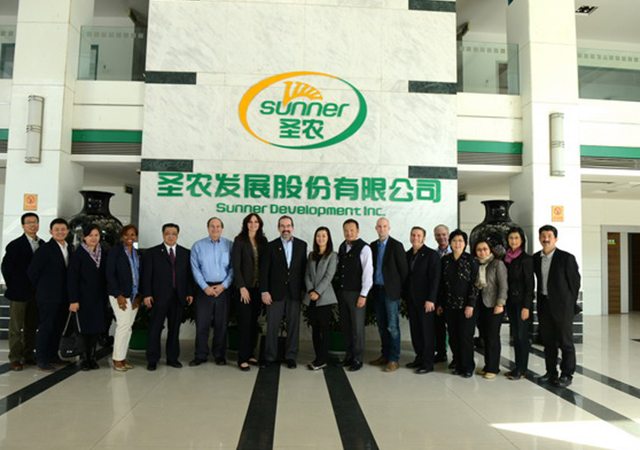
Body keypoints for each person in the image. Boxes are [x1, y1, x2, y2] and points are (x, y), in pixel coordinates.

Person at [534, 225, 581, 388]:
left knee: (565, 342)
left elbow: (575, 283)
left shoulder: (566, 258)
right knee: (548, 342)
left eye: (549, 236)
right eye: (543, 236)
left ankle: (567, 374)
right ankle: (551, 372)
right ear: (539, 238)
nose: (546, 239)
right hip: (544, 305)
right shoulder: (536, 258)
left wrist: (569, 303)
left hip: (563, 307)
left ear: (556, 239)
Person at [141, 223, 194, 371]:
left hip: (178, 296)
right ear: (163, 234)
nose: (171, 236)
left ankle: (172, 358)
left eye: (174, 233)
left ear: (177, 235)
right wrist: (147, 294)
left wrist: (189, 292)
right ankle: (152, 359)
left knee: (174, 329)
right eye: (167, 233)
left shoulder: (185, 253)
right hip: (158, 297)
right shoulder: (152, 252)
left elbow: (188, 275)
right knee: (155, 329)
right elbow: (147, 275)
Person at [260, 216, 307, 369]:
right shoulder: (270, 246)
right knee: (272, 326)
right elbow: (264, 271)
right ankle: (270, 356)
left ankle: (291, 356)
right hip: (274, 293)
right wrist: (264, 291)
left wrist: (303, 290)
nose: (285, 229)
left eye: (288, 226)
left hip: (295, 292)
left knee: (293, 326)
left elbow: (303, 270)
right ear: (278, 228)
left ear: (292, 227)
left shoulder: (302, 245)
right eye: (282, 226)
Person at [27, 218, 73, 372]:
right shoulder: (45, 249)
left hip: (64, 296)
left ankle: (53, 355)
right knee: (46, 327)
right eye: (57, 229)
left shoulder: (69, 248)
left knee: (58, 327)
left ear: (67, 231)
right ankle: (41, 359)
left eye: (63, 229)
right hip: (48, 296)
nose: (60, 232)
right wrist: (43, 287)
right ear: (51, 232)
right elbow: (32, 272)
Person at [1, 213, 44, 371]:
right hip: (19, 292)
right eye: (29, 222)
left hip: (36, 293)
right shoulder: (15, 245)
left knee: (31, 326)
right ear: (23, 226)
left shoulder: (42, 244)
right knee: (16, 327)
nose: (32, 225)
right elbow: (6, 267)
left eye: (35, 222)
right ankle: (15, 358)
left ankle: (29, 354)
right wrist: (13, 285)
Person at [190, 217, 234, 367]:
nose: (215, 229)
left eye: (218, 226)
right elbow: (195, 269)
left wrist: (224, 286)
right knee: (202, 324)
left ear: (222, 228)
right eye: (212, 226)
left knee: (221, 325)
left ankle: (219, 355)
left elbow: (233, 268)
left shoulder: (230, 245)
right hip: (204, 290)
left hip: (223, 289)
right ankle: (200, 355)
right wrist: (205, 287)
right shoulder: (198, 246)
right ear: (207, 228)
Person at [437, 229, 479, 378]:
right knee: (453, 336)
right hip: (449, 305)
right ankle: (458, 363)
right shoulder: (445, 260)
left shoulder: (471, 260)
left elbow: (475, 284)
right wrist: (440, 304)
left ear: (465, 243)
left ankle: (468, 367)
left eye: (460, 241)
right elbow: (441, 284)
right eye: (454, 240)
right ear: (450, 243)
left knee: (466, 336)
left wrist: (471, 304)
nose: (457, 243)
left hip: (466, 306)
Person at [369, 218, 408, 373]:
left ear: (389, 228)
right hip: (377, 290)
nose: (382, 229)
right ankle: (385, 355)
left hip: (391, 292)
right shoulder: (372, 246)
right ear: (376, 228)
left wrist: (402, 294)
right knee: (381, 326)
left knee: (392, 327)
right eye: (379, 226)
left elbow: (404, 271)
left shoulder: (396, 245)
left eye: (384, 226)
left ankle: (394, 359)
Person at [68, 224, 108, 371]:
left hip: (98, 298)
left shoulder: (103, 253)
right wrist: (73, 300)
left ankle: (92, 357)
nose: (93, 238)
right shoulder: (78, 254)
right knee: (84, 330)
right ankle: (84, 358)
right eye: (90, 235)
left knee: (95, 330)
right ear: (84, 237)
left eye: (96, 235)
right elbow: (72, 279)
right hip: (83, 299)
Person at [336, 219, 373, 372]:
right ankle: (349, 356)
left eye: (352, 230)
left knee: (357, 328)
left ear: (358, 231)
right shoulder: (342, 246)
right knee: (346, 326)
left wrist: (363, 295)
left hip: (357, 294)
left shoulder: (364, 248)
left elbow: (368, 273)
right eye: (346, 230)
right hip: (343, 292)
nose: (349, 233)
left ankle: (358, 359)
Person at [232, 213, 267, 371]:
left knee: (254, 323)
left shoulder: (263, 241)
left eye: (256, 222)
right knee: (245, 323)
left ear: (259, 224)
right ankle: (242, 358)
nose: (253, 224)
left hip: (258, 289)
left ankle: (251, 354)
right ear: (246, 224)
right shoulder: (239, 240)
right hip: (244, 290)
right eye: (250, 222)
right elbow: (236, 265)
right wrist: (241, 287)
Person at [404, 226, 441, 374]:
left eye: (419, 235)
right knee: (416, 331)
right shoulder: (407, 254)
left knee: (427, 332)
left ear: (424, 238)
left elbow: (435, 279)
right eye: (413, 235)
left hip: (426, 301)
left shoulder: (431, 255)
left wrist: (431, 299)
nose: (415, 238)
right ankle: (419, 358)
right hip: (411, 300)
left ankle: (427, 363)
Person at [106, 225, 142, 372]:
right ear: (122, 236)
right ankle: (117, 359)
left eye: (133, 235)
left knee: (128, 327)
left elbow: (140, 275)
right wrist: (118, 295)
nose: (129, 237)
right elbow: (110, 274)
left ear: (136, 237)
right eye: (126, 234)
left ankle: (122, 357)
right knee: (123, 326)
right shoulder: (115, 252)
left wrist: (139, 296)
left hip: (133, 296)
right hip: (120, 295)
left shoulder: (137, 254)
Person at [303, 227, 338, 371]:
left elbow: (329, 276)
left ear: (328, 238)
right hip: (311, 297)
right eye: (318, 235)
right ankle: (318, 357)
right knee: (315, 329)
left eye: (324, 236)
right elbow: (307, 274)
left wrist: (317, 291)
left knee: (324, 329)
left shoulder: (332, 256)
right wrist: (311, 290)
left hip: (324, 298)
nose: (321, 238)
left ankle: (323, 359)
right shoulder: (311, 255)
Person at [473, 239, 508, 379]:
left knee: (493, 337)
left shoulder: (497, 264)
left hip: (494, 305)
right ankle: (488, 365)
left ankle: (493, 368)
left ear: (490, 250)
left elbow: (503, 285)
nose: (482, 252)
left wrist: (500, 303)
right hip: (480, 306)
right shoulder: (476, 264)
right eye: (479, 250)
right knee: (485, 337)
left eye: (485, 249)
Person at [504, 227, 534, 380]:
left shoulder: (526, 259)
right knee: (516, 336)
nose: (513, 241)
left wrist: (526, 307)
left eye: (516, 238)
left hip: (522, 303)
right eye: (511, 238)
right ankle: (517, 367)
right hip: (510, 302)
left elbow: (530, 285)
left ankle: (522, 369)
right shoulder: (506, 258)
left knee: (522, 337)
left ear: (522, 240)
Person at [433, 224, 451, 363]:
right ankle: (441, 352)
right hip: (438, 296)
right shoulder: (433, 254)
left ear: (448, 235)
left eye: (444, 234)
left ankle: (457, 357)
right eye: (438, 235)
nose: (441, 237)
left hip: (453, 296)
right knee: (438, 327)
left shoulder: (457, 252)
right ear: (435, 237)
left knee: (453, 327)